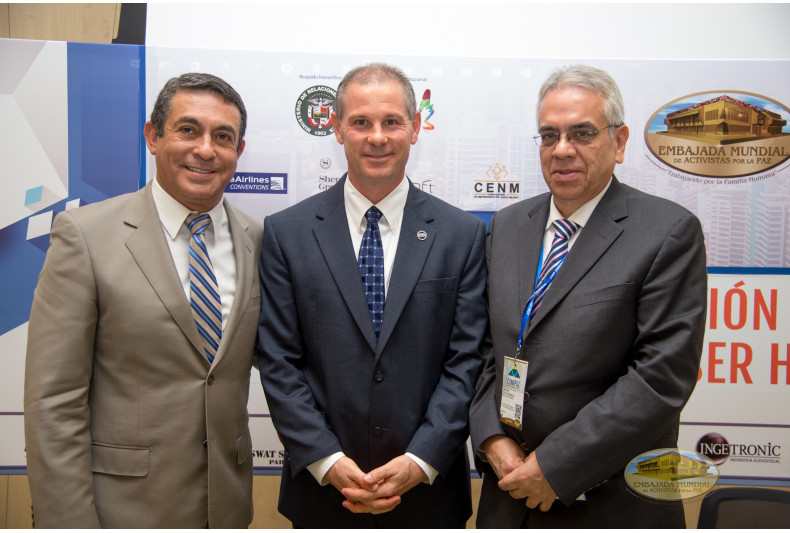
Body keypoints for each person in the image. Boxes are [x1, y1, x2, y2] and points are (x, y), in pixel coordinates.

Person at [469, 64, 708, 528]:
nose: (561, 150)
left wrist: (554, 466)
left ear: (618, 143)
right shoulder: (508, 227)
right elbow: (485, 350)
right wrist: (490, 439)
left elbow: (661, 377)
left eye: (581, 133)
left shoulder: (667, 232)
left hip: (609, 502)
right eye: (548, 135)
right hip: (509, 495)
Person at [24, 73, 262, 528]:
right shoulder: (85, 236)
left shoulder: (260, 240)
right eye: (188, 130)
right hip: (119, 511)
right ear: (153, 136)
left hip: (227, 509)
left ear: (238, 151)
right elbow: (54, 402)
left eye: (223, 137)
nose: (206, 149)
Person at [257, 63, 487, 528]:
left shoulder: (463, 234)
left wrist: (420, 460)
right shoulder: (287, 233)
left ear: (416, 128)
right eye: (360, 122)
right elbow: (278, 360)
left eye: (391, 122)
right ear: (338, 129)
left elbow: (469, 359)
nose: (376, 137)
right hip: (323, 496)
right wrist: (325, 459)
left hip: (427, 497)